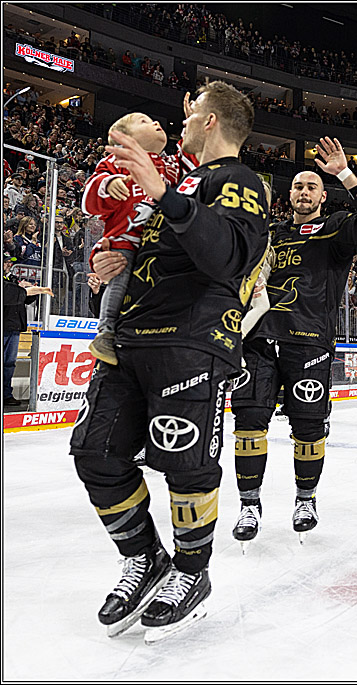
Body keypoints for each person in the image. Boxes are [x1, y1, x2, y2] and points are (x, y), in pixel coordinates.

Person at [69, 81, 270, 643]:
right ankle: (144, 558)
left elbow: (226, 255)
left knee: (186, 465)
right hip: (130, 341)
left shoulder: (237, 179)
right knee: (94, 452)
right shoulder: (179, 179)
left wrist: (165, 193)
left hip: (191, 340)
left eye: (191, 114)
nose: (179, 122)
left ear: (210, 122)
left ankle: (191, 571)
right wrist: (108, 261)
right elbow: (143, 241)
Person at [229, 137, 357, 550]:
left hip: (308, 343)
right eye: (298, 186)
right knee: (248, 424)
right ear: (289, 196)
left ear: (322, 196)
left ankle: (305, 500)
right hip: (258, 340)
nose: (304, 191)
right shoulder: (268, 235)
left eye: (312, 186)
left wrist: (345, 174)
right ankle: (249, 506)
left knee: (308, 427)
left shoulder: (336, 229)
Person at [81, 107, 197, 364]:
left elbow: (192, 159)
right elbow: (89, 201)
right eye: (144, 121)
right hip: (126, 241)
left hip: (164, 245)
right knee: (119, 277)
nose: (156, 121)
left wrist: (190, 123)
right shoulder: (116, 162)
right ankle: (106, 332)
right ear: (124, 140)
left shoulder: (170, 164)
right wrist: (109, 184)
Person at [3, 253, 52, 408]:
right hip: (5, 325)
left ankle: (6, 394)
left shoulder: (13, 280)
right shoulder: (9, 284)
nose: (9, 265)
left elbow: (26, 299)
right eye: (6, 262)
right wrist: (22, 289)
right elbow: (10, 295)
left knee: (9, 363)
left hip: (15, 326)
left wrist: (32, 291)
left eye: (10, 262)